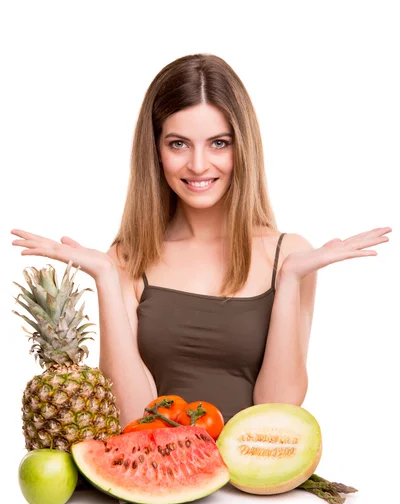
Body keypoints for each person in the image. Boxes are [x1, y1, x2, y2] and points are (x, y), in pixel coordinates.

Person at [11, 53, 391, 428]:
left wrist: (290, 279)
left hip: (251, 481)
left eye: (219, 143)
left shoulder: (289, 255)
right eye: (178, 144)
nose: (197, 164)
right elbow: (132, 416)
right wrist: (107, 278)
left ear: (243, 148)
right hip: (160, 479)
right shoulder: (128, 258)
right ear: (155, 151)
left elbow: (278, 408)